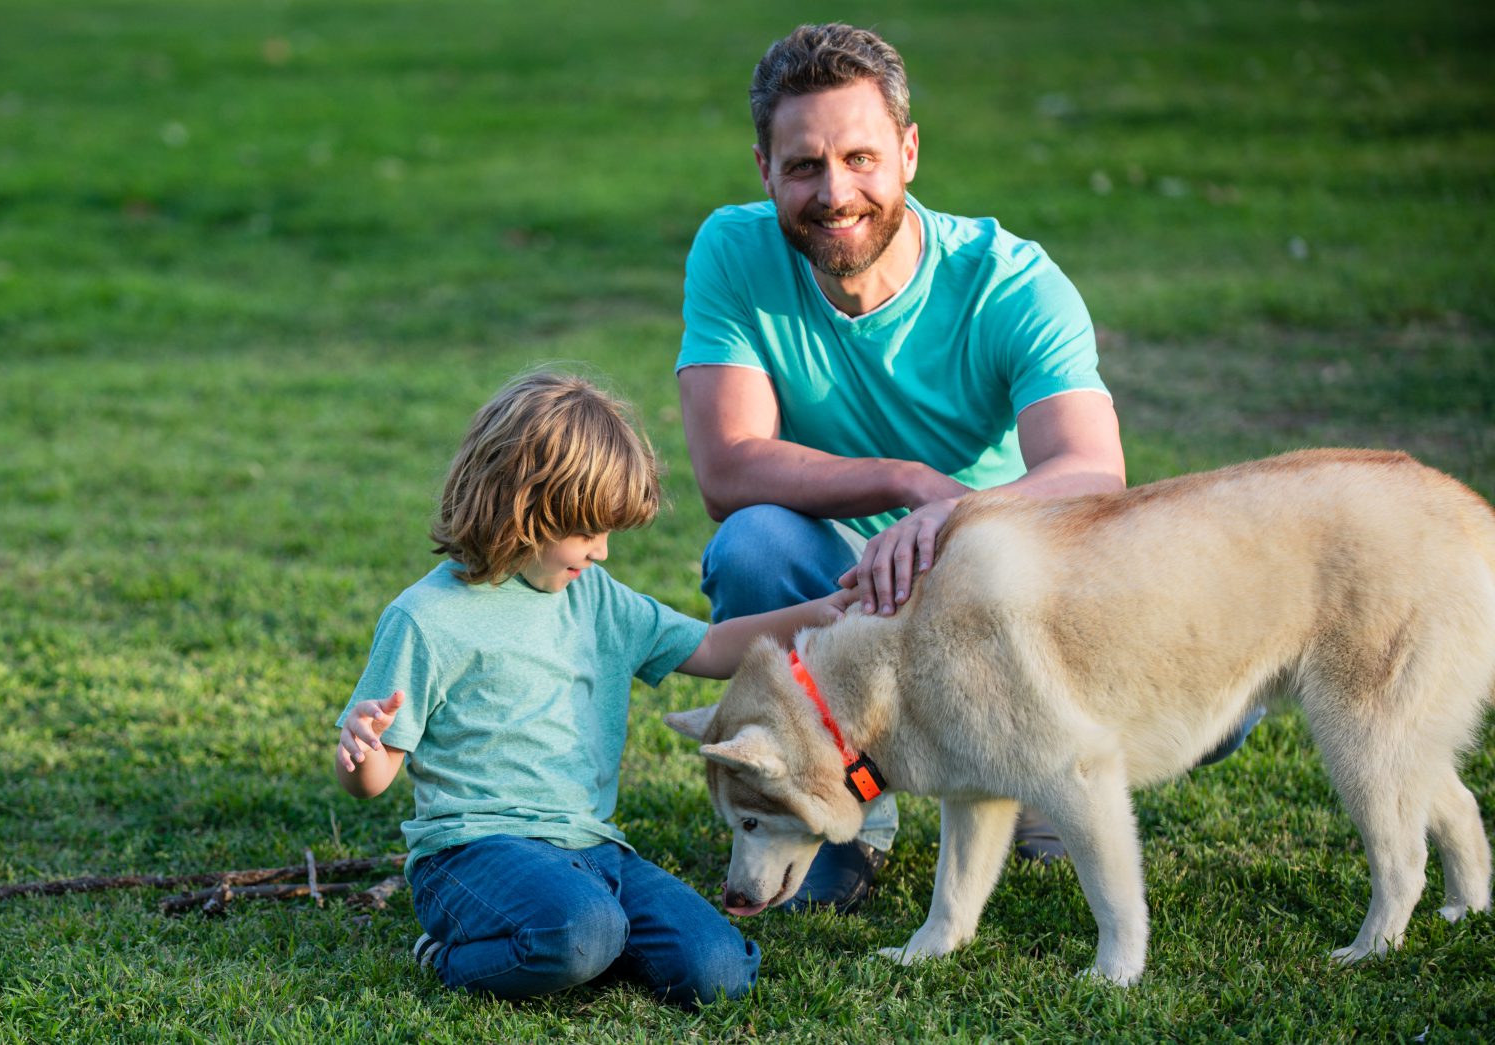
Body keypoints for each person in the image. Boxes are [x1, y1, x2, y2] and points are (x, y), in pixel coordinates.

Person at [677, 23, 1261, 913]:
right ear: (764, 169)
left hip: (989, 590)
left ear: (909, 150)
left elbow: (1091, 470)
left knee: (1211, 695)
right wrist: (907, 484)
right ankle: (847, 802)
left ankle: (1023, 769)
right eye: (803, 167)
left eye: (861, 157)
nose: (834, 193)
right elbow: (729, 468)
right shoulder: (733, 249)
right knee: (753, 545)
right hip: (831, 581)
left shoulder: (1012, 281)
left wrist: (947, 520)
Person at [334, 371, 853, 1008]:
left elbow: (715, 647)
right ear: (523, 509)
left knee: (719, 973)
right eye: (588, 533)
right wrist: (359, 751)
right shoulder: (426, 617)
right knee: (582, 931)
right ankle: (451, 956)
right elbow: (373, 780)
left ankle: (580, 947)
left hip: (594, 849)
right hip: (473, 853)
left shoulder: (596, 599)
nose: (603, 553)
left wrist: (835, 610)